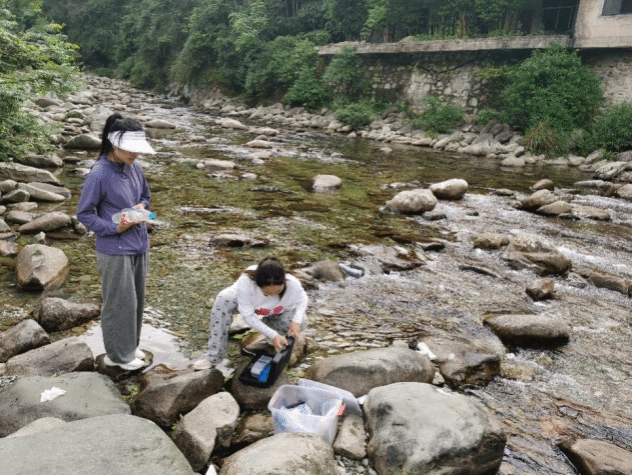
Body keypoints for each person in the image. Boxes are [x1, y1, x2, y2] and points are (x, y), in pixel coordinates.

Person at [76, 113, 156, 371]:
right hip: (114, 249)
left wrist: (141, 207)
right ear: (114, 144)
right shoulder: (99, 173)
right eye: (131, 149)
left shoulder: (135, 167)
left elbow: (146, 196)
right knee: (119, 304)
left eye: (138, 149)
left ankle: (129, 347)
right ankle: (117, 357)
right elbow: (84, 213)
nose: (136, 154)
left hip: (139, 244)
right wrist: (114, 227)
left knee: (136, 302)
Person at [194, 256, 309, 370]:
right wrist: (273, 334)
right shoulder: (247, 282)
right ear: (258, 284)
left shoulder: (292, 283)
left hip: (275, 312)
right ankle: (213, 356)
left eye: (278, 291)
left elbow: (302, 299)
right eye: (267, 293)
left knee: (302, 321)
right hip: (252, 308)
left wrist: (296, 321)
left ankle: (272, 337)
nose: (273, 295)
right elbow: (248, 316)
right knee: (223, 299)